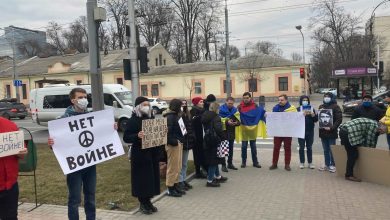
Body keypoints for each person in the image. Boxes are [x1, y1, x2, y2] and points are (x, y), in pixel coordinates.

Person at [48, 88, 99, 220]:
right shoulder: (62, 120)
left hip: (90, 163)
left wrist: (111, 128)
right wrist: (52, 143)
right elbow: (57, 146)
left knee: (91, 196)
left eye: (85, 97)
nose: (84, 100)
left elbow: (100, 136)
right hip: (74, 165)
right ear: (73, 100)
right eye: (81, 97)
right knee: (74, 199)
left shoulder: (92, 117)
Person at [123, 96, 161, 215]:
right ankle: (142, 203)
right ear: (138, 106)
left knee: (151, 179)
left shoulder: (151, 118)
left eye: (148, 105)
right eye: (144, 105)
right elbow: (126, 137)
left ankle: (148, 201)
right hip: (140, 155)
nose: (147, 107)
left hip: (151, 154)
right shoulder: (133, 120)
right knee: (142, 180)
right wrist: (137, 136)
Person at [0, 117, 28, 220]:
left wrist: (22, 153)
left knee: (11, 217)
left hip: (10, 186)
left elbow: (22, 153)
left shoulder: (10, 125)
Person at [202, 102, 228, 187]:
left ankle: (218, 176)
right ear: (216, 109)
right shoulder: (216, 117)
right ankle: (210, 180)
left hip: (207, 140)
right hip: (215, 140)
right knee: (213, 161)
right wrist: (224, 137)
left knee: (214, 160)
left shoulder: (205, 115)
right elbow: (218, 129)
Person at [163, 99, 185, 197]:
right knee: (172, 167)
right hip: (173, 145)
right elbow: (167, 133)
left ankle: (175, 185)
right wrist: (174, 142)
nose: (181, 108)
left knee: (178, 166)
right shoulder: (170, 117)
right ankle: (170, 188)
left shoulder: (176, 116)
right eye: (180, 106)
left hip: (178, 143)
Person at [270, 94, 297, 171]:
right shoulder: (275, 108)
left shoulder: (292, 108)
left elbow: (296, 118)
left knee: (287, 148)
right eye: (279, 100)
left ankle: (287, 164)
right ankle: (274, 164)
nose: (280, 101)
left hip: (287, 132)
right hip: (278, 131)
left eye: (282, 100)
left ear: (286, 100)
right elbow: (272, 118)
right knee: (276, 148)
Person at [318, 92, 343, 173]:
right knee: (325, 150)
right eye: (325, 96)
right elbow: (319, 118)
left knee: (332, 149)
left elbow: (339, 119)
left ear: (332, 98)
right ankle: (326, 164)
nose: (326, 98)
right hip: (323, 132)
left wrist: (332, 127)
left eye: (328, 97)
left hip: (331, 132)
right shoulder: (321, 106)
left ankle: (333, 164)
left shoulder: (336, 107)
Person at [237, 92, 263, 168]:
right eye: (244, 98)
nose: (245, 99)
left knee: (253, 146)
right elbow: (236, 116)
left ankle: (255, 162)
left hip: (252, 129)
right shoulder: (239, 107)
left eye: (247, 98)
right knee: (244, 146)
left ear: (250, 98)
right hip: (244, 129)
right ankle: (243, 162)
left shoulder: (255, 106)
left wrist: (264, 114)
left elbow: (259, 113)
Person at [219, 97, 240, 171]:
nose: (230, 105)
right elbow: (218, 120)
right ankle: (223, 165)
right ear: (226, 102)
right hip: (223, 132)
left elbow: (239, 121)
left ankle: (230, 164)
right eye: (229, 103)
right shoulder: (220, 109)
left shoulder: (235, 110)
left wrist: (236, 123)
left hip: (231, 132)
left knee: (231, 149)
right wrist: (227, 122)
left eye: (232, 103)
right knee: (224, 149)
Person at [296, 95, 318, 169]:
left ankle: (310, 163)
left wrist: (313, 115)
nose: (305, 101)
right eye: (303, 100)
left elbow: (316, 120)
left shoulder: (312, 109)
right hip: (300, 131)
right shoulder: (298, 109)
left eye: (306, 100)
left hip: (310, 130)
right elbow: (294, 120)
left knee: (309, 147)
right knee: (301, 147)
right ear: (301, 101)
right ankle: (302, 162)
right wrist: (301, 115)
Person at [178, 100, 194, 191]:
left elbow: (189, 128)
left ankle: (183, 180)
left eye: (185, 104)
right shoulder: (178, 116)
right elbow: (182, 130)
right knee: (180, 163)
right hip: (182, 142)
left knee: (184, 163)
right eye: (182, 104)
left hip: (188, 141)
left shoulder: (188, 114)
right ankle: (180, 181)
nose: (184, 106)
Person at [190, 97, 208, 178]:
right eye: (201, 102)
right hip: (197, 137)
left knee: (202, 154)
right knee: (197, 155)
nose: (202, 103)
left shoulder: (202, 110)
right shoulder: (194, 111)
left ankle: (202, 170)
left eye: (203, 101)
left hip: (201, 136)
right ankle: (198, 172)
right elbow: (195, 123)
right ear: (196, 103)